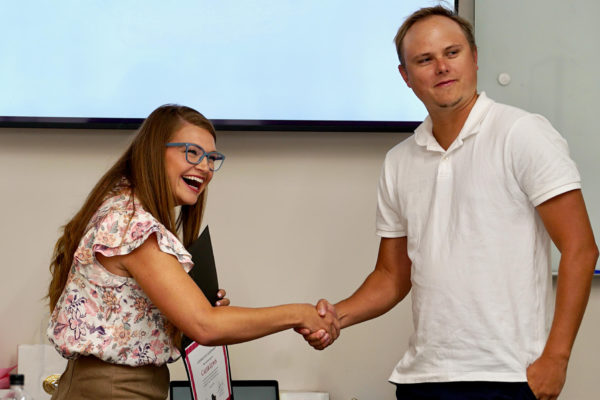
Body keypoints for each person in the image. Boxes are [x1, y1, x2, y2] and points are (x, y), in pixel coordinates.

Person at [298, 5, 598, 400]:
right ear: (406, 76)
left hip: (508, 377)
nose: (441, 67)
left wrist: (556, 359)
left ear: (474, 58)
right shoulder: (399, 161)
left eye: (452, 53)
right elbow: (392, 276)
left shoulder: (523, 134)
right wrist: (336, 317)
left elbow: (580, 247)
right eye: (425, 59)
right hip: (422, 379)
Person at [46, 104, 340, 399]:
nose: (205, 167)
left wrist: (192, 306)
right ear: (154, 152)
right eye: (192, 153)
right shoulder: (132, 225)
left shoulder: (125, 208)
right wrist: (299, 314)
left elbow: (169, 319)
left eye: (212, 158)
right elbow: (205, 326)